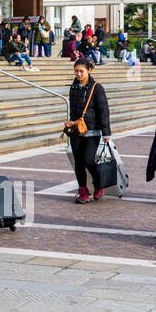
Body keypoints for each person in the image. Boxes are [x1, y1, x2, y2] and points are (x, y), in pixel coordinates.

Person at [65, 58, 112, 204]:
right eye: (76, 71)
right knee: (78, 162)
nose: (78, 74)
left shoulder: (97, 88)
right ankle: (83, 191)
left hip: (93, 130)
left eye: (81, 71)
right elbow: (73, 109)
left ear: (89, 70)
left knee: (87, 159)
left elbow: (103, 110)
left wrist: (106, 132)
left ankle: (98, 185)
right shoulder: (73, 87)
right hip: (77, 130)